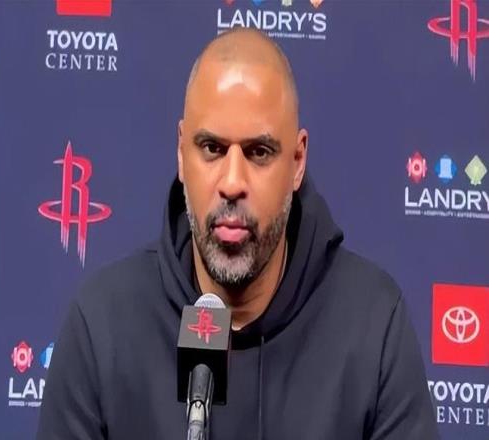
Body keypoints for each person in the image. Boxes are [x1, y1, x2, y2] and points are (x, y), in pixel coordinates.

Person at [37, 28, 438, 439]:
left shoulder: (372, 324)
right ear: (181, 153)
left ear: (297, 161)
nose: (232, 182)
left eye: (258, 152)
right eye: (212, 148)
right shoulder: (102, 325)